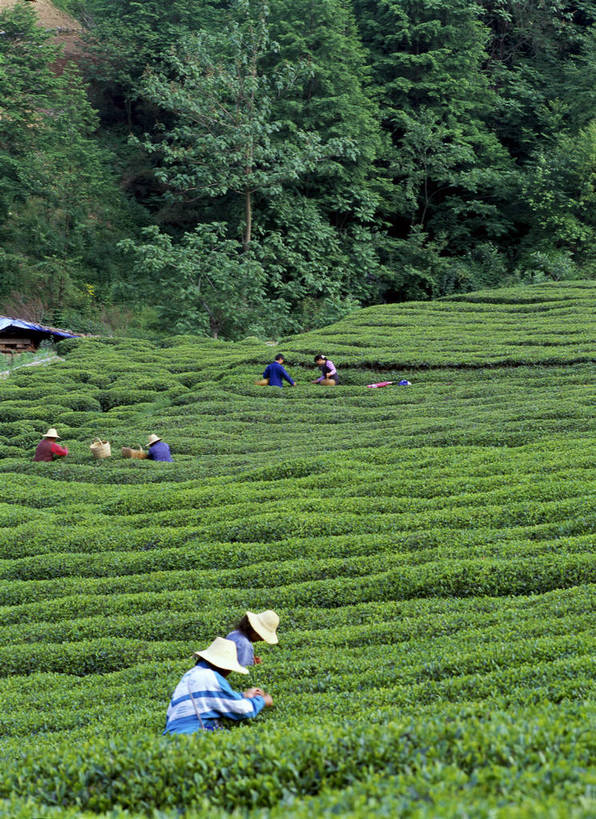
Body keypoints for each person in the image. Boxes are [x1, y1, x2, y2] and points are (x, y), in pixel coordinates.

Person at [163, 637, 273, 734]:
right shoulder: (211, 677)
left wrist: (244, 695)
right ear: (224, 667)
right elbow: (241, 710)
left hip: (172, 735)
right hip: (195, 733)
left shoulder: (190, 675)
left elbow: (214, 698)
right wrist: (261, 700)